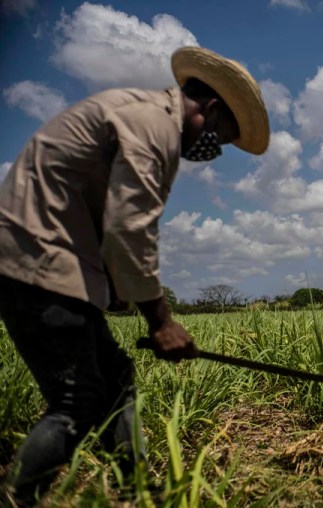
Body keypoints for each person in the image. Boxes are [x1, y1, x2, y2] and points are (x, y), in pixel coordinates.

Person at [0, 46, 270, 505]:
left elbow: (102, 213)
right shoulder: (153, 126)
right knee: (77, 402)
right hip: (38, 262)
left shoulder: (140, 113)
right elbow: (130, 228)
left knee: (116, 377)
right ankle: (15, 498)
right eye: (221, 137)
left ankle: (136, 488)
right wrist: (161, 322)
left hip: (55, 260)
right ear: (210, 109)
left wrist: (113, 284)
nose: (215, 149)